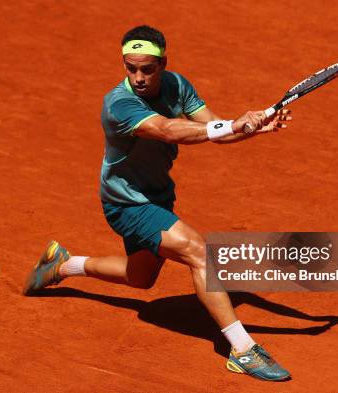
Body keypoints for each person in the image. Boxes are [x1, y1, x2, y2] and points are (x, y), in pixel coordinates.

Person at [23, 25, 293, 382]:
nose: (138, 77)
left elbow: (214, 130)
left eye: (147, 68)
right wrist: (234, 123)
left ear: (163, 63)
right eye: (130, 67)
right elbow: (167, 130)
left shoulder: (177, 85)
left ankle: (63, 265)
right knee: (199, 252)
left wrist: (251, 128)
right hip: (127, 204)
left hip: (159, 195)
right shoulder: (119, 104)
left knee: (141, 277)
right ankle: (242, 349)